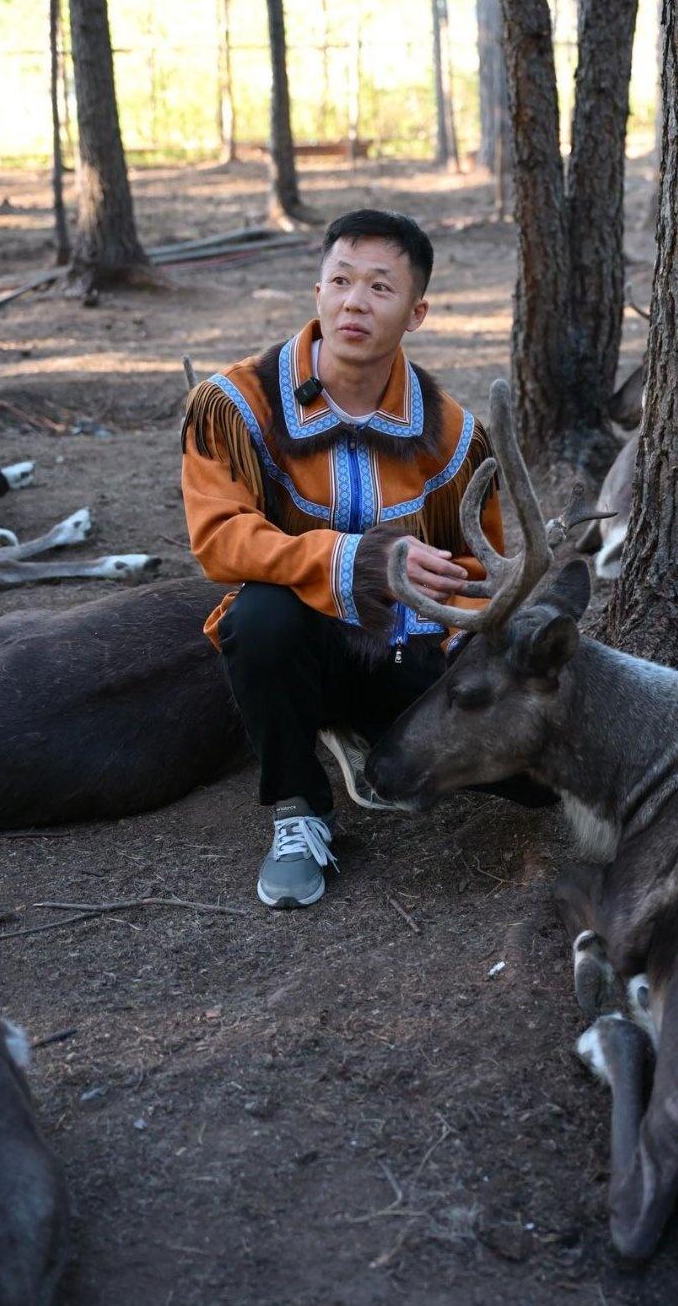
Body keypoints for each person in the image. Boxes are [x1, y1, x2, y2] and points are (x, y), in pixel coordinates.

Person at [181, 208, 502, 910]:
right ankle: (299, 809)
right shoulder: (236, 405)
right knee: (260, 616)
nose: (355, 301)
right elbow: (219, 539)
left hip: (409, 658)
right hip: (296, 657)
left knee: (527, 784)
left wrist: (458, 623)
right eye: (341, 281)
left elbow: (484, 562)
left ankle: (387, 739)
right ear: (317, 291)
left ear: (416, 313)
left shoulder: (452, 433)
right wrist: (352, 561)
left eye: (380, 288)